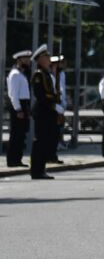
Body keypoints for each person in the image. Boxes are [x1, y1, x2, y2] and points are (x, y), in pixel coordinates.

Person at [28, 46, 60, 180]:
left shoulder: (46, 74)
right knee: (40, 141)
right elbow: (41, 95)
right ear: (40, 59)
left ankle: (41, 169)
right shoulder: (39, 75)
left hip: (48, 111)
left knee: (45, 141)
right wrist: (53, 102)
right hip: (42, 111)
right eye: (46, 57)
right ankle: (36, 170)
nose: (49, 60)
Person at [6, 49, 32, 168]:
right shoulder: (15, 74)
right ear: (19, 60)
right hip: (18, 106)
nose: (28, 61)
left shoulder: (21, 74)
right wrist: (18, 109)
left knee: (21, 134)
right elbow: (13, 94)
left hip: (23, 104)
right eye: (26, 59)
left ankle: (18, 159)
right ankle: (12, 160)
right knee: (16, 134)